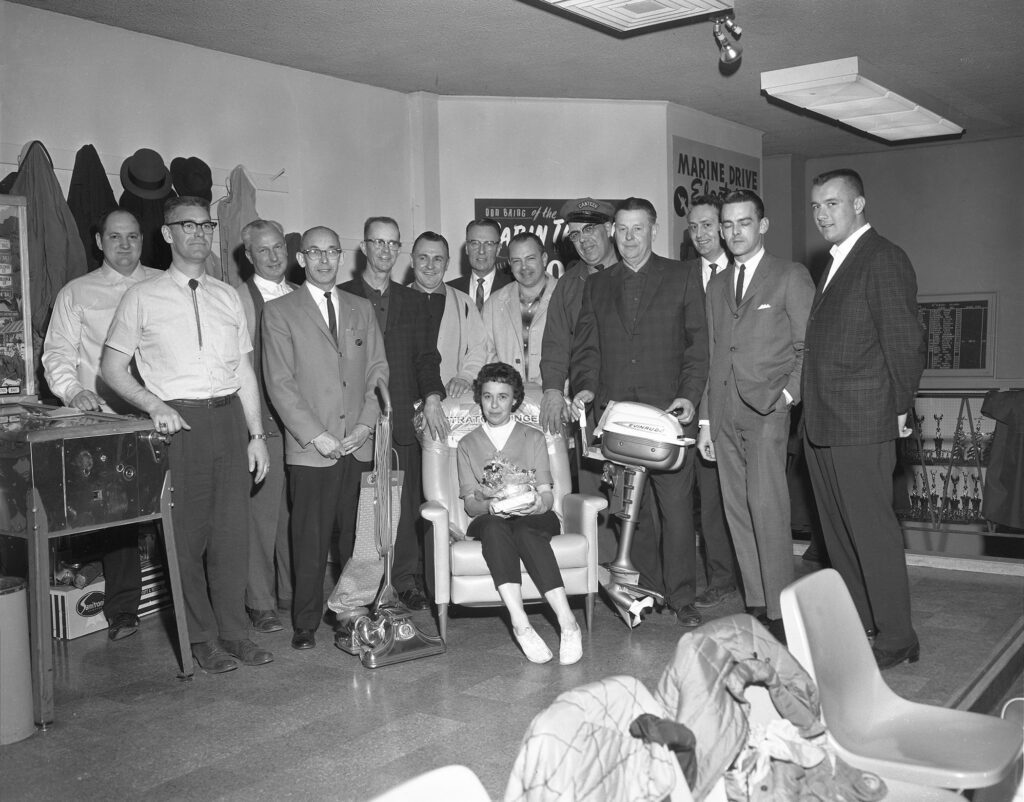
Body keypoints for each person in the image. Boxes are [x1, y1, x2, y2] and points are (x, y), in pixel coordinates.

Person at [102, 196, 272, 673]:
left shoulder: (227, 295)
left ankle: (235, 633)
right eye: (188, 225)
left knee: (232, 536)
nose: (200, 233)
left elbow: (243, 369)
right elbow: (111, 368)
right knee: (187, 539)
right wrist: (155, 406)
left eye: (206, 224)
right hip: (180, 427)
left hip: (229, 420)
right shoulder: (142, 297)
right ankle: (201, 640)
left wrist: (256, 433)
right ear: (167, 233)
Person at [803, 168, 926, 669]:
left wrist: (901, 408)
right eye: (816, 207)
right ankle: (861, 625)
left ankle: (897, 637)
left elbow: (905, 341)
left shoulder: (883, 258)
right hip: (824, 423)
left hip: (864, 419)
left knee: (871, 531)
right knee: (838, 536)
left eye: (832, 204)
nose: (822, 215)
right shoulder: (835, 262)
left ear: (858, 205)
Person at [571, 197, 709, 627]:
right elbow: (587, 348)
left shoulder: (683, 276)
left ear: (653, 230)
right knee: (634, 506)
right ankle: (646, 590)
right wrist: (586, 389)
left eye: (638, 229)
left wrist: (689, 394)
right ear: (614, 231)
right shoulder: (597, 284)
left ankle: (683, 594)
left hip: (668, 412)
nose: (629, 238)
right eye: (623, 230)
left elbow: (698, 345)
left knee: (677, 507)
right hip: (619, 415)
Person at [262, 226, 388, 650]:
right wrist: (317, 436)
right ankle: (305, 621)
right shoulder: (280, 312)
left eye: (331, 251)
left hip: (358, 443)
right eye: (314, 252)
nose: (323, 260)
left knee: (358, 538)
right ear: (301, 258)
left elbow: (377, 372)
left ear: (341, 255)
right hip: (311, 450)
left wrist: (365, 425)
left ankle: (352, 614)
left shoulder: (360, 307)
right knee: (309, 539)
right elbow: (280, 384)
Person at [697, 190, 815, 641]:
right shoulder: (716, 284)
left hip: (767, 410)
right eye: (726, 225)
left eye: (743, 223)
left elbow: (808, 348)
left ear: (762, 226)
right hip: (724, 412)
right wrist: (706, 420)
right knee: (737, 510)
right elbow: (712, 353)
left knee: (768, 508)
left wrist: (787, 395)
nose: (733, 233)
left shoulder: (790, 276)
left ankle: (781, 609)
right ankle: (757, 602)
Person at [42, 208, 160, 641]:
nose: (125, 245)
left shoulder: (163, 285)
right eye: (115, 237)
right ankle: (124, 610)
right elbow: (57, 353)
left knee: (179, 510)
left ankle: (185, 603)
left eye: (132, 236)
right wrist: (74, 392)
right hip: (107, 421)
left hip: (163, 414)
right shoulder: (77, 293)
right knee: (120, 517)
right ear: (99, 241)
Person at [341, 216, 448, 611]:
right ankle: (359, 585)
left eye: (392, 244)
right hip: (355, 423)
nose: (385, 251)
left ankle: (404, 579)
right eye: (378, 242)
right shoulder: (342, 295)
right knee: (358, 507)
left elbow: (425, 357)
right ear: (364, 246)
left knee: (403, 506)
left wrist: (433, 396)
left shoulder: (413, 300)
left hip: (402, 416)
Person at [457, 362, 582, 665]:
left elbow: (548, 493)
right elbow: (470, 505)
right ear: (480, 399)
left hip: (533, 514)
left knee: (525, 531)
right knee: (495, 530)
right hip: (491, 519)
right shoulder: (467, 444)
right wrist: (487, 502)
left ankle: (567, 622)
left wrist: (538, 504)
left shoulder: (534, 437)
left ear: (515, 399)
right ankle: (520, 623)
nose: (495, 404)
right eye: (488, 397)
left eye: (503, 396)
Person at [540, 197, 618, 561]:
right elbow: (555, 342)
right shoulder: (568, 284)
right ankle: (601, 567)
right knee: (593, 485)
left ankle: (646, 572)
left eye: (590, 230)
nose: (584, 240)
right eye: (575, 235)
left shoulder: (634, 271)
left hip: (633, 397)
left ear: (609, 230)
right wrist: (554, 390)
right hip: (586, 403)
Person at [236, 219, 296, 633]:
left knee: (294, 512)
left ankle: (291, 592)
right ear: (249, 256)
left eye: (279, 248)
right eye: (264, 251)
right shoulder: (238, 299)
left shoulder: (299, 294)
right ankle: (259, 601)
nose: (274, 257)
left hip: (300, 422)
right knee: (261, 515)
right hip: (262, 420)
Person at [683, 195, 739, 609]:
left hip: (739, 404)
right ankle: (721, 576)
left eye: (708, 225)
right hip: (694, 402)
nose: (701, 234)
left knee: (743, 497)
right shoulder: (683, 276)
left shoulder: (745, 271)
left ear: (722, 226)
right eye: (694, 227)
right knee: (708, 497)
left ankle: (753, 575)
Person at [408, 230, 486, 398]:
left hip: (450, 402)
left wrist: (464, 377)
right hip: (404, 403)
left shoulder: (464, 303)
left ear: (447, 263)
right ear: (412, 260)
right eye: (423, 257)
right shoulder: (396, 301)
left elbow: (478, 349)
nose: (430, 266)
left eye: (438, 259)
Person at [482, 232, 555, 386]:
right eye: (516, 261)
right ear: (509, 263)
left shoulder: (567, 297)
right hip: (508, 400)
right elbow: (486, 354)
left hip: (556, 398)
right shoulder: (494, 303)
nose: (524, 267)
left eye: (530, 258)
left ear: (544, 259)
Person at [447, 217, 512, 311]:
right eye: (475, 243)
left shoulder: (513, 288)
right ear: (466, 248)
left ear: (498, 249)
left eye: (489, 244)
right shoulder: (450, 291)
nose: (481, 251)